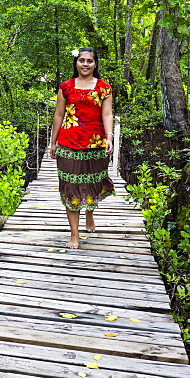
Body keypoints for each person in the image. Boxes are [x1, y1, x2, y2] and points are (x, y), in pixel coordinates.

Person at [47, 48, 115, 249]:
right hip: (69, 143)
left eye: (90, 61)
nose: (85, 64)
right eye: (82, 60)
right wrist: (53, 142)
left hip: (95, 143)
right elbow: (59, 115)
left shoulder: (104, 88)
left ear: (95, 64)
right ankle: (74, 236)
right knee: (70, 187)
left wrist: (109, 137)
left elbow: (108, 114)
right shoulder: (65, 87)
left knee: (92, 182)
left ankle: (90, 214)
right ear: (76, 63)